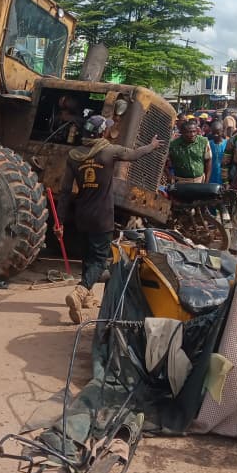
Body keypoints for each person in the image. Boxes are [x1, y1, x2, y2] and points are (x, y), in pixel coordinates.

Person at [58, 115, 161, 323]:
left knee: (88, 256)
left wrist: (59, 220)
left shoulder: (74, 156)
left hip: (81, 214)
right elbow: (133, 155)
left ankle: (86, 298)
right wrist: (152, 146)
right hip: (102, 215)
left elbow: (66, 191)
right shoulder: (109, 152)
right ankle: (80, 291)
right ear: (102, 132)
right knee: (99, 260)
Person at [207, 121, 227, 185]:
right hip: (211, 175)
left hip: (224, 176)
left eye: (218, 133)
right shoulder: (208, 144)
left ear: (222, 131)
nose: (215, 135)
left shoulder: (227, 144)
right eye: (213, 133)